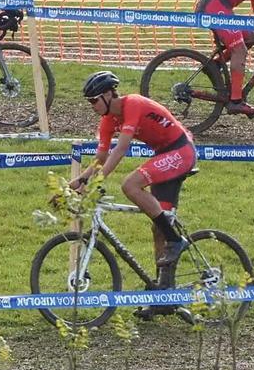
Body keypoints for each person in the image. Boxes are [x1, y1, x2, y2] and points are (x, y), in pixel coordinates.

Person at [72, 71, 196, 287]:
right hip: (163, 155)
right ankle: (163, 295)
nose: (92, 105)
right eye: (89, 101)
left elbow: (120, 150)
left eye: (94, 100)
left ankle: (176, 240)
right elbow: (101, 157)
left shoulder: (133, 104)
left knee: (130, 185)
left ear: (109, 95)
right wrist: (78, 182)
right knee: (158, 228)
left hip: (181, 150)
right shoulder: (107, 121)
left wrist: (96, 182)